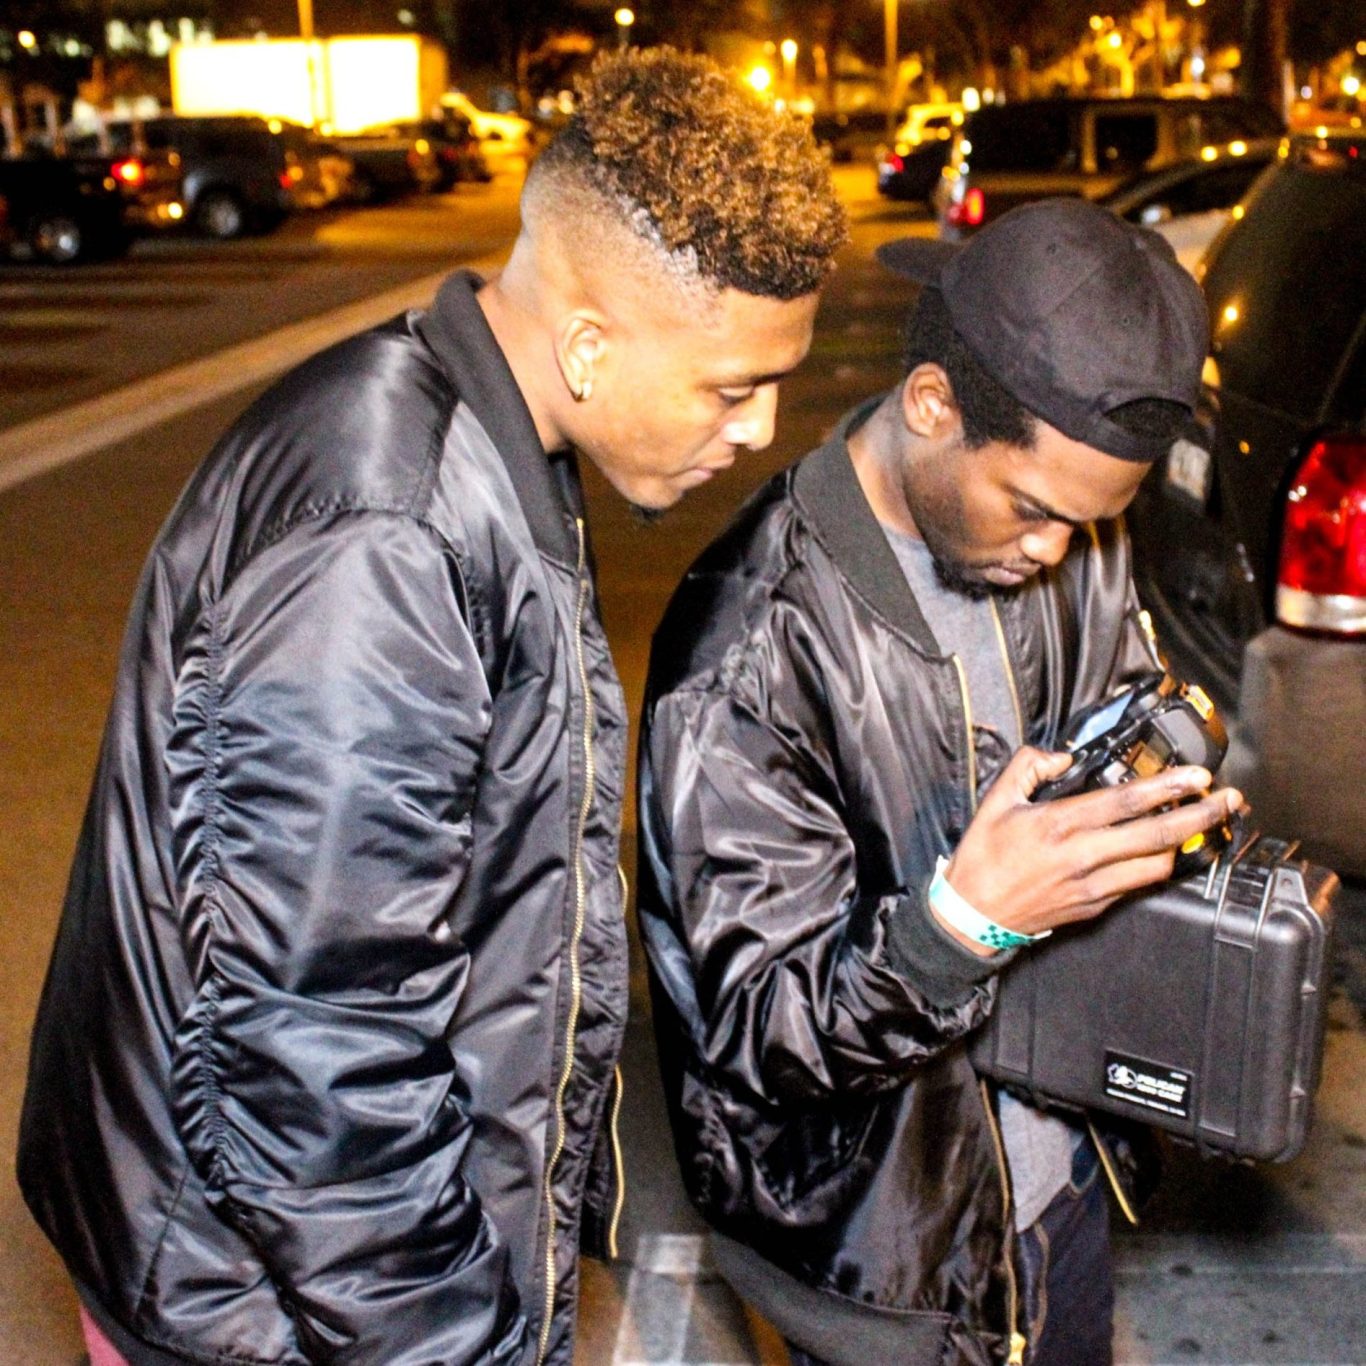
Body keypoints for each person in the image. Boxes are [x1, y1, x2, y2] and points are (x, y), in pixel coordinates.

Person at [18, 47, 845, 1366]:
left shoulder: (482, 441)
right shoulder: (384, 535)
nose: (758, 427)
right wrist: (448, 1343)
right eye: (732, 386)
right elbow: (313, 1051)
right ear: (588, 345)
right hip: (256, 1311)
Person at [637, 198, 1242, 1366]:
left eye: (1093, 521)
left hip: (1063, 1190)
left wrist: (1164, 791)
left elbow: (1127, 691)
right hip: (884, 1261)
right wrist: (960, 926)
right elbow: (757, 1033)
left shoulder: (1076, 534)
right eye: (1035, 509)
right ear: (931, 404)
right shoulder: (750, 647)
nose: (1057, 550)